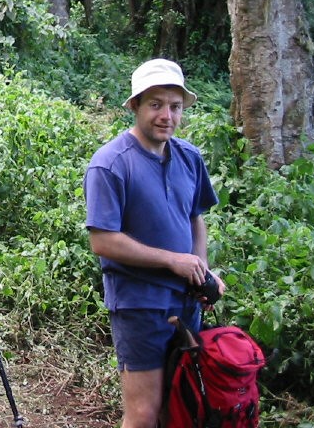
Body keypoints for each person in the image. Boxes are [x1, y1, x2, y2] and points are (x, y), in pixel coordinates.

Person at [83, 58, 225, 428]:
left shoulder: (189, 158)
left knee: (180, 407)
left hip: (186, 303)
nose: (167, 116)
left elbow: (196, 218)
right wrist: (172, 261)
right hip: (138, 305)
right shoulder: (110, 164)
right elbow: (103, 241)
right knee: (144, 413)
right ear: (135, 106)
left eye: (175, 107)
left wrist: (201, 270)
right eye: (156, 105)